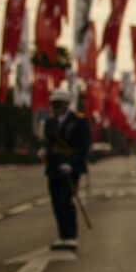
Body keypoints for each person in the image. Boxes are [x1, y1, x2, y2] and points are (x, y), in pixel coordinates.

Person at [41, 87, 90, 250]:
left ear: (66, 104)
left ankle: (71, 236)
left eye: (59, 103)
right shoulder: (49, 122)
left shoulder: (78, 121)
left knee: (65, 200)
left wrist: (73, 164)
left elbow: (83, 146)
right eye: (54, 103)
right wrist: (43, 151)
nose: (56, 106)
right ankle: (62, 235)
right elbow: (48, 143)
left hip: (70, 168)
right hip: (54, 168)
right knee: (56, 202)